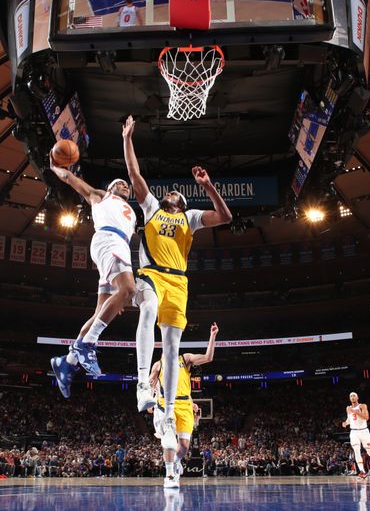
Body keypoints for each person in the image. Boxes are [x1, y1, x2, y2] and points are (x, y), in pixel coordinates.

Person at [122, 115, 232, 453]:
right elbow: (135, 176)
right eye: (169, 191)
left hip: (179, 283)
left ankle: (168, 415)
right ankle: (143, 383)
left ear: (182, 203)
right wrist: (127, 139)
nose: (171, 192)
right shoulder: (152, 207)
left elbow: (225, 217)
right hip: (152, 273)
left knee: (171, 350)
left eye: (176, 193)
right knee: (148, 307)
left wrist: (208, 186)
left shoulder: (190, 217)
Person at [49, 159, 137, 398]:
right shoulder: (100, 196)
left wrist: (117, 298)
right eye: (120, 183)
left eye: (127, 185)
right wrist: (56, 168)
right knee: (129, 289)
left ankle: (66, 363)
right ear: (109, 188)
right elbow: (71, 180)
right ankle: (87, 343)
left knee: (102, 310)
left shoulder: (131, 214)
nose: (125, 186)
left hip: (119, 246)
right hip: (108, 240)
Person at [148, 322, 218, 488]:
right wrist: (150, 400)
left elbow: (208, 358)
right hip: (166, 404)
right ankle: (169, 475)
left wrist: (212, 336)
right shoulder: (158, 364)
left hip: (185, 403)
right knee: (169, 440)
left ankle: (177, 461)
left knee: (184, 447)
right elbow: (151, 383)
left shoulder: (185, 359)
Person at [342, 392, 370, 478]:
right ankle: (362, 471)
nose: (352, 397)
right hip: (354, 432)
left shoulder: (362, 406)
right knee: (356, 451)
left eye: (354, 396)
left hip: (364, 431)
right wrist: (345, 423)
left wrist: (355, 411)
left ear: (357, 398)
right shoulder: (348, 408)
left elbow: (366, 417)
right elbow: (349, 419)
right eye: (351, 396)